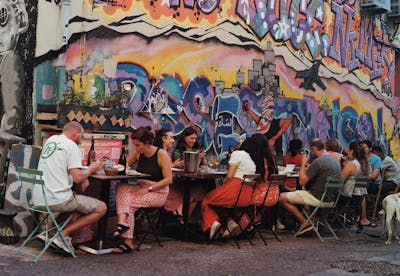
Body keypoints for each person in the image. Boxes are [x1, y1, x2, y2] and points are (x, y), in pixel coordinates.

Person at [32, 122, 107, 254]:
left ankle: (51, 233)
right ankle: (63, 235)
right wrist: (91, 169)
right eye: (81, 137)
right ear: (75, 134)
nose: (81, 141)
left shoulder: (51, 140)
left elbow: (62, 170)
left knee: (76, 203)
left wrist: (83, 177)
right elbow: (78, 177)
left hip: (38, 198)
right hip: (58, 200)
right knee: (101, 208)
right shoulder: (71, 146)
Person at [113, 126, 172, 253]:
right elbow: (124, 166)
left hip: (158, 191)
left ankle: (127, 241)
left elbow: (168, 179)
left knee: (128, 201)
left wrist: (149, 189)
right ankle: (122, 221)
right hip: (141, 186)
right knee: (121, 187)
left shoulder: (161, 154)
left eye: (138, 145)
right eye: (134, 145)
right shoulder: (138, 152)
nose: (135, 148)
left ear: (147, 143)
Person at [279, 138, 342, 234]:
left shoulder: (319, 162)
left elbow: (301, 182)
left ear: (314, 149)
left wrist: (303, 163)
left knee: (281, 197)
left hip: (316, 198)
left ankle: (304, 222)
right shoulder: (335, 161)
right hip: (331, 199)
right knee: (303, 197)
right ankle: (312, 221)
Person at [201, 136, 257, 240]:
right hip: (247, 195)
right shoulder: (250, 158)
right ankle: (230, 223)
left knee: (207, 200)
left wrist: (223, 187)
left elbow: (230, 176)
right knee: (221, 203)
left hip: (236, 189)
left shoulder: (237, 154)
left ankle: (213, 223)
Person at [335, 141, 370, 226]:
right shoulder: (366, 165)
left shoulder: (351, 164)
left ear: (352, 151)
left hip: (346, 197)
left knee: (322, 195)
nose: (347, 152)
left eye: (348, 150)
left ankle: (321, 221)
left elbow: (340, 181)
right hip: (358, 198)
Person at [360, 140, 382, 227]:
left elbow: (374, 176)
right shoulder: (360, 158)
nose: (362, 149)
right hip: (363, 182)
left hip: (374, 183)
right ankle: (360, 216)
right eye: (361, 147)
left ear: (370, 148)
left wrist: (363, 178)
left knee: (359, 189)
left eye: (364, 147)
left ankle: (362, 216)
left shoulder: (376, 159)